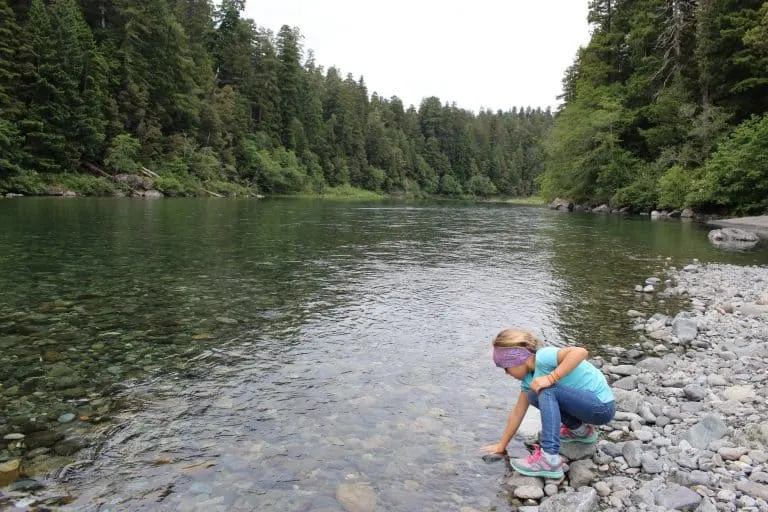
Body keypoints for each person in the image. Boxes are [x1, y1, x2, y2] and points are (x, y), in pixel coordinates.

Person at [480, 328, 616, 479]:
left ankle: (549, 458)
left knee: (546, 390)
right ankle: (580, 430)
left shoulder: (543, 357)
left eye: (506, 368)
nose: (506, 373)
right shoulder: (529, 380)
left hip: (601, 407)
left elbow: (580, 352)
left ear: (516, 359)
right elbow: (517, 413)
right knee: (533, 395)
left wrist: (551, 378)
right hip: (587, 408)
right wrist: (501, 445)